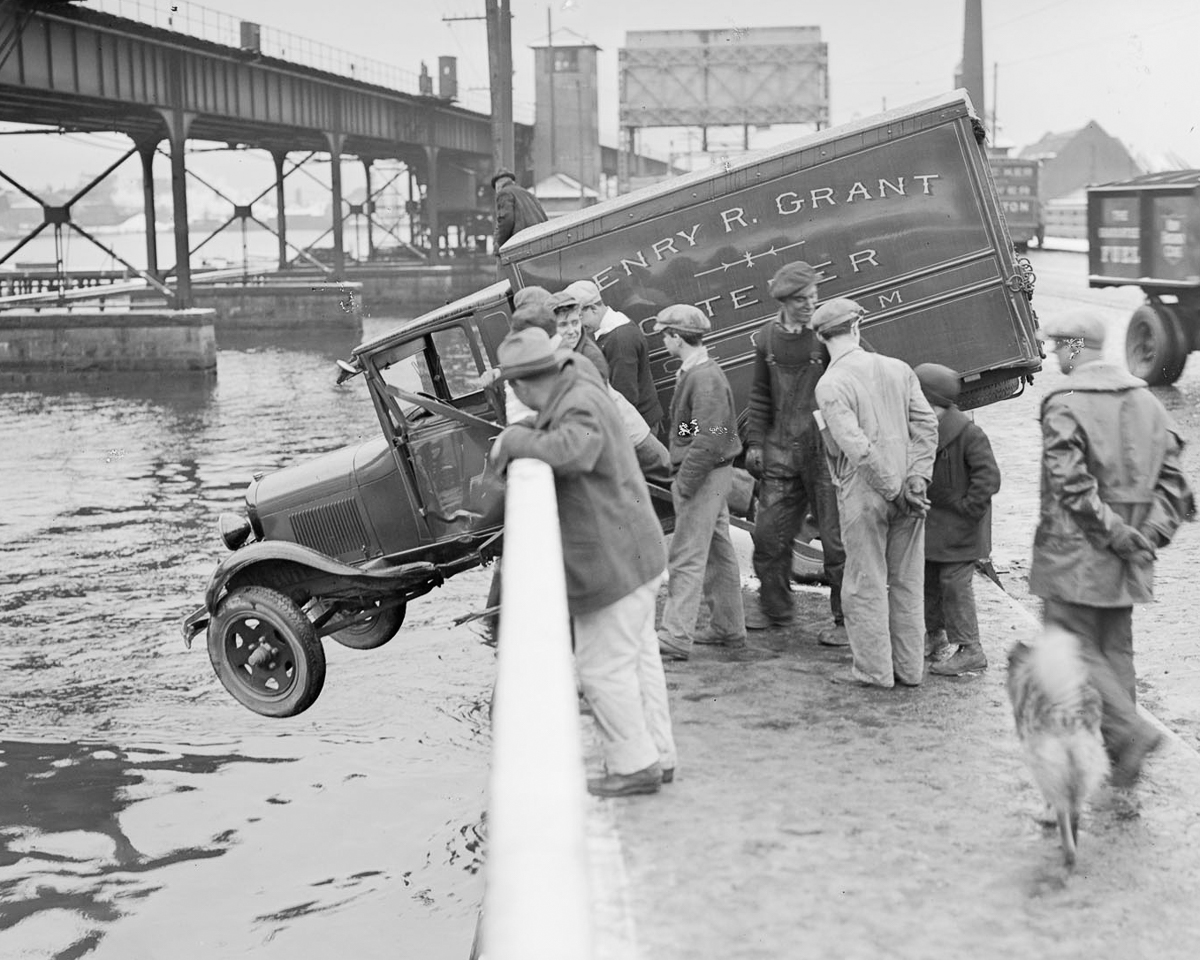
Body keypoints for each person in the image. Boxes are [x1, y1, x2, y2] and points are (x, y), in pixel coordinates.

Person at [489, 327, 676, 797]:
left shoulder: (578, 402)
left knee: (601, 669)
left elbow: (576, 447)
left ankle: (635, 766)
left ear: (521, 386)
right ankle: (659, 754)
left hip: (621, 560)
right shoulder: (581, 378)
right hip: (641, 545)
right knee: (637, 659)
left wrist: (514, 440)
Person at [1030, 311, 1193, 786]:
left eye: (1059, 345)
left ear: (1077, 347)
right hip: (1129, 556)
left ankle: (1130, 733)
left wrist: (1115, 533)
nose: (1054, 353)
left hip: (1075, 553)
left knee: (1067, 644)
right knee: (1114, 649)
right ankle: (1123, 755)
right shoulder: (1148, 403)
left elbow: (1071, 486)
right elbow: (1176, 484)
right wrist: (1149, 536)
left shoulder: (1066, 401)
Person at [812, 298, 938, 688]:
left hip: (866, 494)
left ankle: (874, 671)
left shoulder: (830, 385)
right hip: (911, 494)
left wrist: (894, 489)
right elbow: (926, 426)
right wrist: (916, 480)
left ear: (820, 337)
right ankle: (909, 669)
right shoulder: (899, 368)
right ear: (856, 328)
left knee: (865, 582)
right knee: (907, 582)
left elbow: (857, 446)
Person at [744, 261, 847, 644]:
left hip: (825, 454)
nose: (810, 304)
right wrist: (755, 442)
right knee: (768, 535)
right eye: (802, 299)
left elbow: (858, 375)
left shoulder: (828, 335)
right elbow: (759, 395)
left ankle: (846, 619)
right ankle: (775, 608)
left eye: (814, 297)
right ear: (785, 301)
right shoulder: (766, 339)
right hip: (783, 452)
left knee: (837, 542)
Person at [652, 305, 745, 662]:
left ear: (677, 337)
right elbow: (714, 428)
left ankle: (675, 636)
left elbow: (709, 437)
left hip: (704, 474)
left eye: (665, 334)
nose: (663, 340)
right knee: (719, 549)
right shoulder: (700, 372)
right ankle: (727, 626)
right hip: (716, 469)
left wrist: (685, 480)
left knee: (687, 554)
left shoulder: (702, 377)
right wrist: (685, 436)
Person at [914, 363, 1002, 677]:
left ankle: (971, 649)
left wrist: (967, 509)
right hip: (936, 526)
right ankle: (935, 636)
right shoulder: (925, 426)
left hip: (963, 529)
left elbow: (989, 478)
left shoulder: (968, 433)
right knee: (929, 581)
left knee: (954, 586)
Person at [564, 278, 664, 436]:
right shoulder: (614, 328)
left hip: (638, 425)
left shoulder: (619, 339)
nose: (578, 326)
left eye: (579, 318)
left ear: (593, 308)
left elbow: (626, 394)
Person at [549, 288, 609, 380]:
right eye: (563, 325)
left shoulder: (592, 359)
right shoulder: (545, 352)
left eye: (575, 323)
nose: (571, 331)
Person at [491, 169, 547, 253]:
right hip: (538, 242)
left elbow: (506, 220)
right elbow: (544, 218)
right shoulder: (529, 194)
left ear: (498, 185)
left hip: (520, 244)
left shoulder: (504, 193)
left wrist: (499, 244)